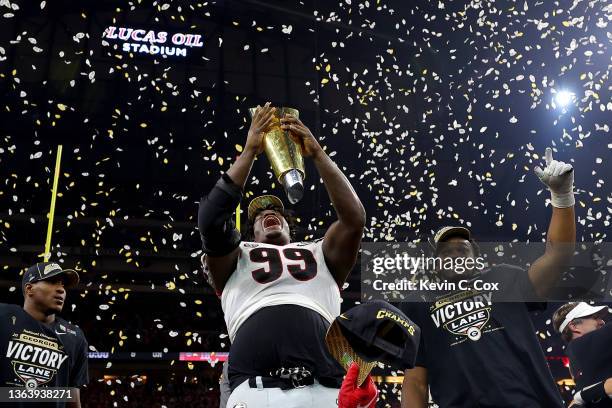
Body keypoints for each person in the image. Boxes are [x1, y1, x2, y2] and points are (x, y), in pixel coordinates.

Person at [198, 102, 366, 407]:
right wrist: (249, 151)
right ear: (251, 234)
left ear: (289, 224)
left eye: (276, 210)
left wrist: (317, 154)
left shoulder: (319, 250)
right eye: (259, 214)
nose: (268, 213)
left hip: (325, 377)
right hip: (254, 381)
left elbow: (354, 219)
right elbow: (210, 218)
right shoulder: (239, 254)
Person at [401, 148, 576, 407]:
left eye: (463, 249)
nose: (455, 255)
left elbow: (557, 257)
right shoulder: (418, 304)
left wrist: (562, 197)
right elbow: (415, 381)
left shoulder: (504, 277)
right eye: (446, 251)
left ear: (476, 257)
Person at [0, 262, 89, 408]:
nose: (61, 289)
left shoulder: (75, 336)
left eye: (63, 285)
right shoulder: (3, 317)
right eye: (52, 282)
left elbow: (72, 396)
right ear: (29, 289)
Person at [553, 302, 612, 407]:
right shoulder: (586, 346)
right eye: (595, 318)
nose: (602, 322)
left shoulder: (573, 361)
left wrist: (581, 396)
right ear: (574, 326)